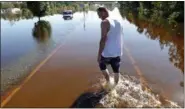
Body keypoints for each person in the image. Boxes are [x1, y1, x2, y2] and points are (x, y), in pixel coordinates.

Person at [97, 7, 123, 87]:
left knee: (102, 66)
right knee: (116, 71)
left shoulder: (104, 22)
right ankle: (115, 86)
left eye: (99, 14)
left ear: (104, 12)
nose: (99, 17)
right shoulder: (119, 21)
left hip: (107, 53)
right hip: (117, 52)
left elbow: (103, 39)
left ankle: (108, 82)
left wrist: (99, 55)